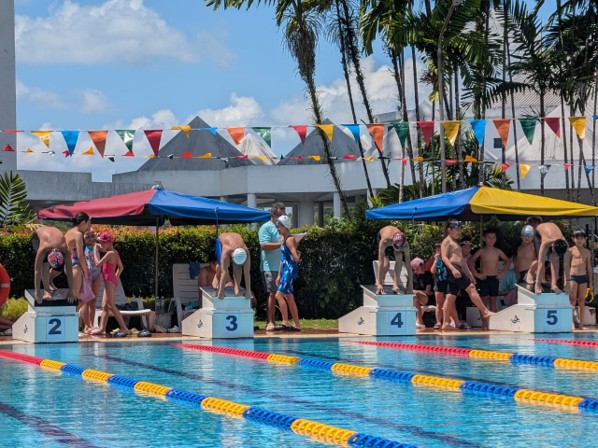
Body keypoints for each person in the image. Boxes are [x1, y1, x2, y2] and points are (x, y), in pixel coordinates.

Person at [441, 219, 494, 331]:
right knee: (471, 288)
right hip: (454, 268)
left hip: (458, 268)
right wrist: (452, 269)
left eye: (459, 230)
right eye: (456, 230)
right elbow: (444, 257)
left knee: (450, 297)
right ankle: (484, 311)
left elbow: (462, 261)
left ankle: (445, 323)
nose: (458, 232)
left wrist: (469, 273)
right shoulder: (446, 241)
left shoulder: (455, 242)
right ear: (449, 230)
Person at [467, 229, 511, 330]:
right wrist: (476, 274)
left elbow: (508, 261)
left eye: (493, 238)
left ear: (496, 239)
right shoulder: (482, 251)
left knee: (493, 301)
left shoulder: (498, 251)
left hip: (494, 278)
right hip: (484, 278)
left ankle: (493, 324)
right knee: (483, 301)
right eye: (489, 237)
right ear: (484, 239)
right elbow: (470, 261)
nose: (491, 240)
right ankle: (484, 324)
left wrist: (502, 273)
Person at [92, 231, 128, 337]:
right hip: (110, 280)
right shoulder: (114, 252)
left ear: (108, 243)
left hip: (108, 281)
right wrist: (115, 279)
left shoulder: (109, 254)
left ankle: (124, 328)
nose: (101, 244)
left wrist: (95, 251)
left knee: (111, 305)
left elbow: (97, 264)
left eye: (102, 243)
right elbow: (121, 268)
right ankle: (102, 329)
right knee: (104, 306)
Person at [259, 202, 286, 331]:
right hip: (269, 267)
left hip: (281, 266)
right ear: (272, 214)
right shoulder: (266, 227)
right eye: (279, 216)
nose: (281, 219)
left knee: (281, 293)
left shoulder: (282, 228)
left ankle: (280, 321)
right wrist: (280, 244)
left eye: (283, 216)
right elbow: (264, 245)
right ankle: (270, 322)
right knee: (271, 294)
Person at [32, 225, 74, 304]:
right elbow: (37, 270)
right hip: (37, 236)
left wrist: (72, 292)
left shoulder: (66, 250)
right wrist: (37, 292)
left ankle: (49, 284)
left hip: (54, 234)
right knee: (45, 264)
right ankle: (46, 290)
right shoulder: (43, 249)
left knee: (60, 269)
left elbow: (70, 272)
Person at [65, 212, 92, 330]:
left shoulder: (68, 232)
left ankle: (70, 326)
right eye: (87, 224)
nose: (87, 227)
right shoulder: (78, 234)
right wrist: (85, 271)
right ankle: (70, 327)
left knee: (79, 299)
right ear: (83, 222)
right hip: (75, 267)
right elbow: (80, 256)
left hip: (69, 266)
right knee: (76, 300)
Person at [527, 216, 568, 294]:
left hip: (552, 234)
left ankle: (554, 285)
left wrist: (567, 284)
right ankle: (530, 272)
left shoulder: (565, 243)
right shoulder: (545, 242)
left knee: (555, 260)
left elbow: (566, 265)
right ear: (552, 246)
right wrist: (537, 284)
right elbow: (541, 263)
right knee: (540, 260)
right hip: (539, 234)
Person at [275, 215, 301, 331]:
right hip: (285, 269)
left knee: (278, 295)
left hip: (289, 270)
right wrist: (279, 274)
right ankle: (297, 325)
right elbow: (282, 259)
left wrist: (297, 255)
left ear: (285, 227)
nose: (277, 229)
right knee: (289, 297)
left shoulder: (289, 240)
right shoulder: (282, 240)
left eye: (279, 226)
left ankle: (285, 322)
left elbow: (295, 258)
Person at [564, 229, 593, 330]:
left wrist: (591, 283)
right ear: (573, 239)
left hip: (583, 277)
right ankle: (571, 321)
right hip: (573, 277)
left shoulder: (587, 252)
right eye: (577, 238)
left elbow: (589, 268)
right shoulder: (570, 251)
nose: (579, 240)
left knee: (581, 301)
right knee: (572, 300)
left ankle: (581, 324)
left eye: (581, 238)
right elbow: (566, 266)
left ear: (585, 239)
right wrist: (566, 280)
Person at [375, 226, 412, 295]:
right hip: (383, 236)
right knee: (386, 265)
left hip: (394, 239)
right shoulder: (384, 241)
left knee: (399, 256)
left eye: (399, 248)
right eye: (396, 247)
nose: (397, 250)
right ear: (393, 243)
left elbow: (408, 265)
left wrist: (410, 286)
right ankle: (380, 280)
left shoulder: (406, 245)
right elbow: (380, 262)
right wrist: (379, 283)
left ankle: (395, 286)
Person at [214, 232, 252, 300]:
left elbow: (247, 272)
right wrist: (221, 291)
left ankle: (237, 288)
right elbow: (224, 272)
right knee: (221, 265)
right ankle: (216, 276)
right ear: (232, 255)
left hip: (235, 244)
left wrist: (248, 291)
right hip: (220, 241)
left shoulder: (246, 252)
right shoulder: (226, 250)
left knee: (237, 266)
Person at [82, 230, 101, 334]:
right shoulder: (82, 247)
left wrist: (97, 237)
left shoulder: (97, 246)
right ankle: (86, 325)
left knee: (93, 301)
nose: (90, 238)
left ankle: (91, 324)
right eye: (87, 237)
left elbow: (106, 244)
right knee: (86, 301)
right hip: (87, 274)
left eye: (92, 236)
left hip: (97, 274)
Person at [411, 257, 433, 329]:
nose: (424, 268)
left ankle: (419, 320)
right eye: (421, 267)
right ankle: (419, 321)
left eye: (424, 267)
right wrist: (418, 291)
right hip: (415, 298)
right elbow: (409, 290)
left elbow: (427, 292)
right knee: (415, 297)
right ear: (416, 269)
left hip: (427, 298)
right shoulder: (411, 276)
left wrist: (416, 291)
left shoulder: (428, 275)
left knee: (415, 294)